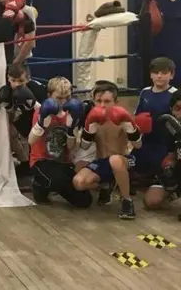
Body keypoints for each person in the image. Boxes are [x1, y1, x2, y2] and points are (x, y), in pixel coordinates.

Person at [72, 82, 151, 219]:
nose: (102, 105)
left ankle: (127, 202)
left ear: (116, 102)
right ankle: (106, 185)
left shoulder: (123, 119)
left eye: (107, 101)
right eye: (98, 101)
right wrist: (89, 129)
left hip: (124, 160)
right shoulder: (93, 119)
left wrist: (132, 128)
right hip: (102, 161)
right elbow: (84, 147)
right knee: (78, 182)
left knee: (114, 160)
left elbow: (137, 146)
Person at [25, 77, 92, 207]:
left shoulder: (73, 112)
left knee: (84, 202)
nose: (63, 102)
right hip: (41, 160)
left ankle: (52, 183)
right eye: (59, 98)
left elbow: (72, 147)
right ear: (49, 95)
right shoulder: (41, 111)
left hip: (63, 161)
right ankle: (39, 185)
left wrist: (72, 130)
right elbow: (31, 141)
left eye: (67, 97)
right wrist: (42, 123)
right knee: (56, 179)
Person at [0, 64, 47, 185]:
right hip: (21, 120)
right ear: (8, 79)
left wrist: (33, 104)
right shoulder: (6, 91)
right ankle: (24, 163)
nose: (17, 84)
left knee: (37, 141)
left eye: (21, 81)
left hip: (38, 122)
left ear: (28, 79)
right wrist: (9, 108)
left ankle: (39, 165)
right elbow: (11, 118)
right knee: (7, 130)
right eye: (13, 80)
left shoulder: (37, 89)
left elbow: (46, 114)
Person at [132, 57, 177, 182]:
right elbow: (137, 115)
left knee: (163, 174)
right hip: (145, 141)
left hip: (165, 145)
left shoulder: (175, 94)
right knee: (132, 169)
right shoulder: (145, 92)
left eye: (164, 73)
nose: (159, 76)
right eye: (156, 73)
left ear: (171, 75)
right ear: (151, 75)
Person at [144, 91, 181, 213]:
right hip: (177, 173)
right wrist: (168, 166)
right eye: (178, 109)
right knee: (152, 201)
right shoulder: (170, 127)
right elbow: (171, 155)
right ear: (171, 109)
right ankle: (174, 193)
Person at [6, 0, 37, 65]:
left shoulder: (27, 10)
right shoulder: (1, 10)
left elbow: (30, 41)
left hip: (20, 60)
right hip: (3, 58)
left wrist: (17, 61)